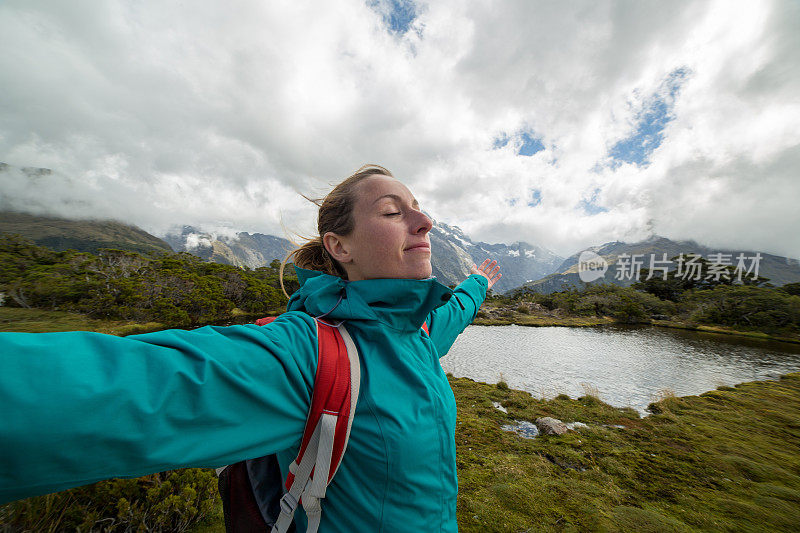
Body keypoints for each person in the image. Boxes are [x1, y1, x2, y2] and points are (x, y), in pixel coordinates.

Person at [0, 164, 502, 532]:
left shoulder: (414, 333)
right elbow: (137, 385)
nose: (424, 221)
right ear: (339, 247)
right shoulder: (305, 354)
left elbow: (452, 314)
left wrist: (478, 282)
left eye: (417, 208)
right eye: (393, 211)